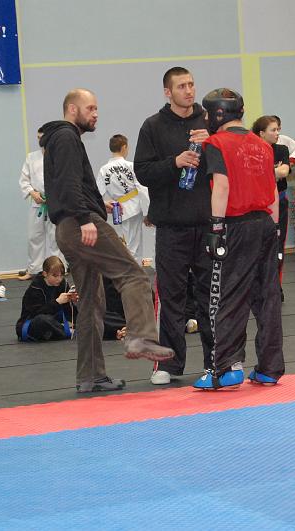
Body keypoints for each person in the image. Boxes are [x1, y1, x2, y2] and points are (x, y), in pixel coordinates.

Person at [41, 88, 173, 393]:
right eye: (90, 108)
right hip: (80, 223)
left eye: (96, 108)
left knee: (91, 302)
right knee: (133, 275)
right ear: (72, 109)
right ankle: (141, 337)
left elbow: (66, 185)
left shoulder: (57, 139)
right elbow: (69, 182)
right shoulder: (66, 137)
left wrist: (97, 205)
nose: (95, 114)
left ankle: (90, 376)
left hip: (67, 227)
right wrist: (85, 217)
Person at [193, 87, 284, 390]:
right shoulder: (262, 144)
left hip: (235, 224)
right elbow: (273, 190)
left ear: (216, 114)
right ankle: (270, 368)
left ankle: (225, 369)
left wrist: (216, 228)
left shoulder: (216, 143)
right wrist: (275, 231)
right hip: (266, 223)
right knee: (267, 296)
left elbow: (221, 186)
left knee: (227, 295)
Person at [134, 66, 215, 385]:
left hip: (207, 223)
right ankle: (167, 364)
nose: (189, 90)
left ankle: (217, 360)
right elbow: (142, 172)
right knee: (171, 297)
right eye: (182, 86)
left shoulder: (210, 122)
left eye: (192, 84)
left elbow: (228, 167)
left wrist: (214, 144)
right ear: (168, 92)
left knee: (212, 296)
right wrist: (175, 163)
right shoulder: (153, 126)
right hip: (171, 226)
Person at [252, 115, 290, 292]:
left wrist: (264, 172)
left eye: (278, 130)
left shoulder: (281, 149)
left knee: (278, 245)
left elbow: (284, 171)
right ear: (261, 133)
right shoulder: (252, 151)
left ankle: (276, 286)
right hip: (258, 206)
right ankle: (257, 286)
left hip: (280, 203)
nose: (277, 133)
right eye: (273, 130)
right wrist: (273, 171)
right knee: (257, 246)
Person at [19, 127, 61, 281]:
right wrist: (32, 192)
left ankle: (58, 269)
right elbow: (24, 180)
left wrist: (55, 195)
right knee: (34, 236)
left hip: (55, 203)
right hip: (37, 203)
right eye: (37, 137)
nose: (40, 140)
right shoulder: (31, 157)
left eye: (42, 137)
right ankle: (35, 270)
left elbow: (64, 179)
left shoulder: (59, 156)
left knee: (56, 237)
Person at [97, 134, 147, 261]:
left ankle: (129, 267)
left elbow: (96, 194)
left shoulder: (104, 170)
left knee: (124, 241)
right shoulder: (131, 166)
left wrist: (102, 206)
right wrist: (147, 211)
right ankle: (133, 269)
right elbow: (142, 188)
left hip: (116, 209)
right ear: (124, 147)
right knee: (134, 245)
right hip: (134, 207)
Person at [16, 256, 77, 342]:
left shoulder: (63, 284)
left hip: (53, 320)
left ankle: (74, 329)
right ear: (45, 274)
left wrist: (73, 302)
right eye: (55, 276)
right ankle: (69, 332)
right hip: (31, 323)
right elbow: (35, 313)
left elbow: (68, 311)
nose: (59, 279)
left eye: (61, 275)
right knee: (42, 320)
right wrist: (57, 302)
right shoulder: (35, 288)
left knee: (86, 310)